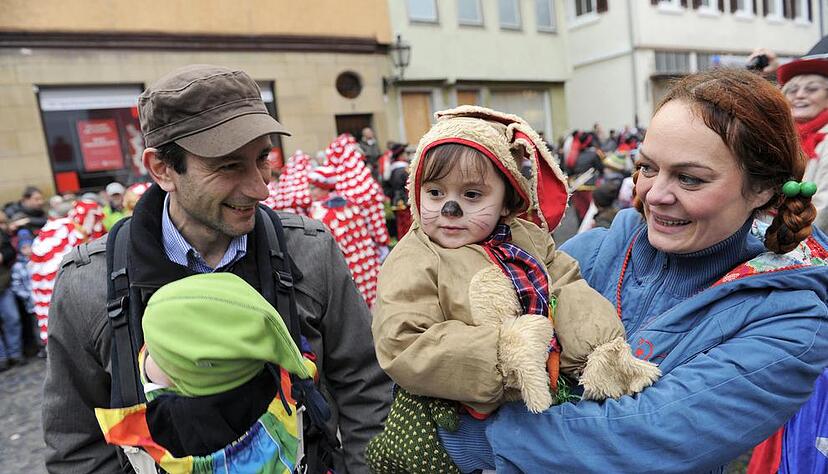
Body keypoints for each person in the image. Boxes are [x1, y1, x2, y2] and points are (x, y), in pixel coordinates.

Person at [436, 69, 828, 473]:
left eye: (690, 178)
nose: (655, 195)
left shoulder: (789, 320)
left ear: (762, 189)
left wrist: (465, 437)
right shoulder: (584, 254)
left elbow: (646, 436)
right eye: (648, 167)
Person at [42, 64, 390, 474]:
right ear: (162, 169)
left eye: (262, 158)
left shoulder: (309, 253)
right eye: (228, 166)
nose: (261, 188)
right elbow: (76, 448)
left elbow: (366, 391)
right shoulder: (88, 285)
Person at [367, 106, 659, 473]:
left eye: (472, 195)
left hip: (540, 400)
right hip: (449, 414)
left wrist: (599, 350)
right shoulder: (415, 254)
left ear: (507, 200)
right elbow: (404, 340)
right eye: (435, 192)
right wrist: (502, 353)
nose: (450, 208)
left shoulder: (529, 239)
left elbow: (567, 288)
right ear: (416, 192)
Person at [94, 273, 316, 472]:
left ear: (190, 385)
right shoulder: (280, 389)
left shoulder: (176, 428)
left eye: (154, 354)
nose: (145, 356)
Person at [747, 36, 828, 474]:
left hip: (813, 269)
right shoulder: (778, 140)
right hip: (775, 258)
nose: (799, 94)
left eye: (811, 87)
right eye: (792, 88)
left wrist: (779, 213)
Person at [30, 198, 104, 348]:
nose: (95, 222)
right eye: (91, 216)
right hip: (63, 293)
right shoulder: (64, 230)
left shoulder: (65, 229)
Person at [308, 166, 380, 307]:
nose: (311, 192)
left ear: (325, 188)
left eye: (313, 188)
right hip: (364, 270)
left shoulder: (321, 212)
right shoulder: (351, 204)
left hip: (345, 272)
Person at [0, 210, 22, 372]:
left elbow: (10, 250)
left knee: (12, 318)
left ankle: (15, 353)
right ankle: (2, 357)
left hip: (3, 283)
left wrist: (2, 255)